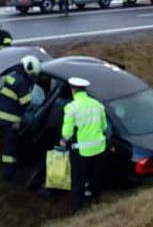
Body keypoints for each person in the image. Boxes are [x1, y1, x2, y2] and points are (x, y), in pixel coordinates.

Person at [60, 77, 107, 214]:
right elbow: (104, 126)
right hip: (99, 148)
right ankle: (95, 200)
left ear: (73, 90)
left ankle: (77, 208)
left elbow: (67, 133)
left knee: (78, 181)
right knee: (96, 177)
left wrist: (63, 140)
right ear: (85, 90)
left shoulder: (71, 107)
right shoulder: (98, 105)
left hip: (81, 151)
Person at [0, 55, 41, 181]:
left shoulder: (13, 76)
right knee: (9, 149)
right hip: (10, 120)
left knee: (7, 144)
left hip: (0, 116)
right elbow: (26, 103)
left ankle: (10, 169)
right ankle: (8, 174)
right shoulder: (22, 82)